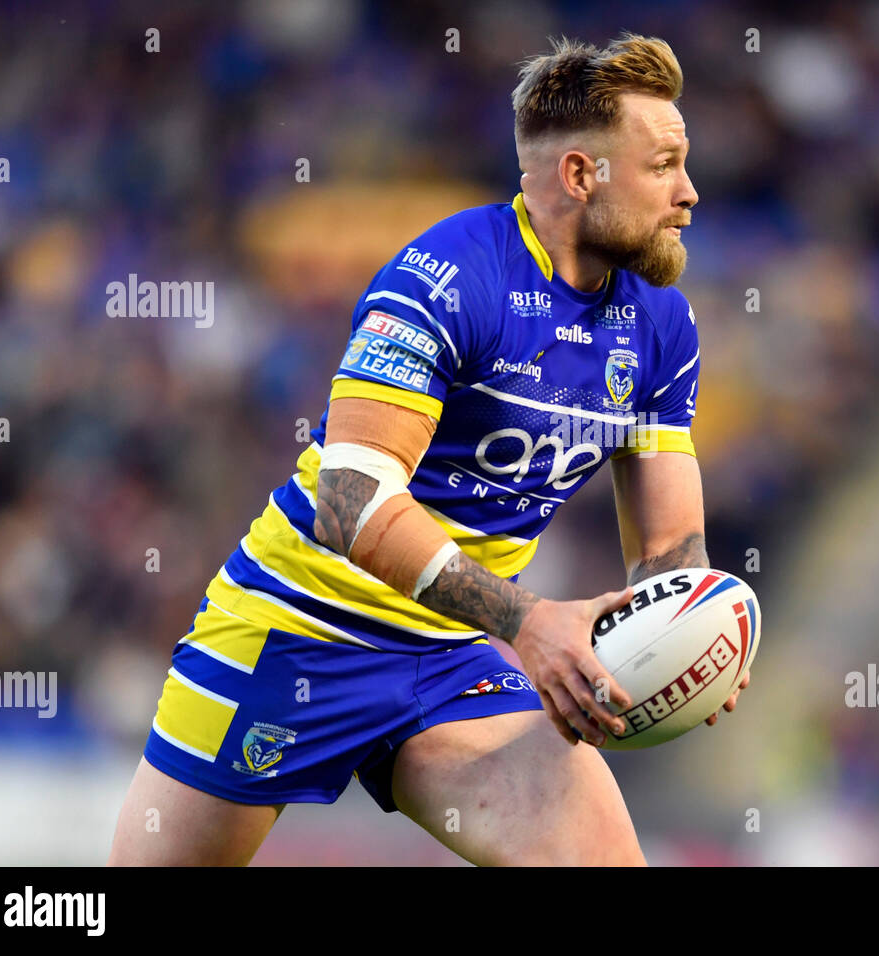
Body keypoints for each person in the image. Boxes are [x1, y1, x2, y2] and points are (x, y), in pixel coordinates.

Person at [108, 32, 748, 867]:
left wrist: (691, 630)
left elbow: (669, 546)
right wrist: (526, 623)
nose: (689, 193)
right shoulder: (447, 277)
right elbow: (349, 500)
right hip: (296, 632)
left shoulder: (661, 323)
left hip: (453, 659)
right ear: (581, 175)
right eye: (664, 164)